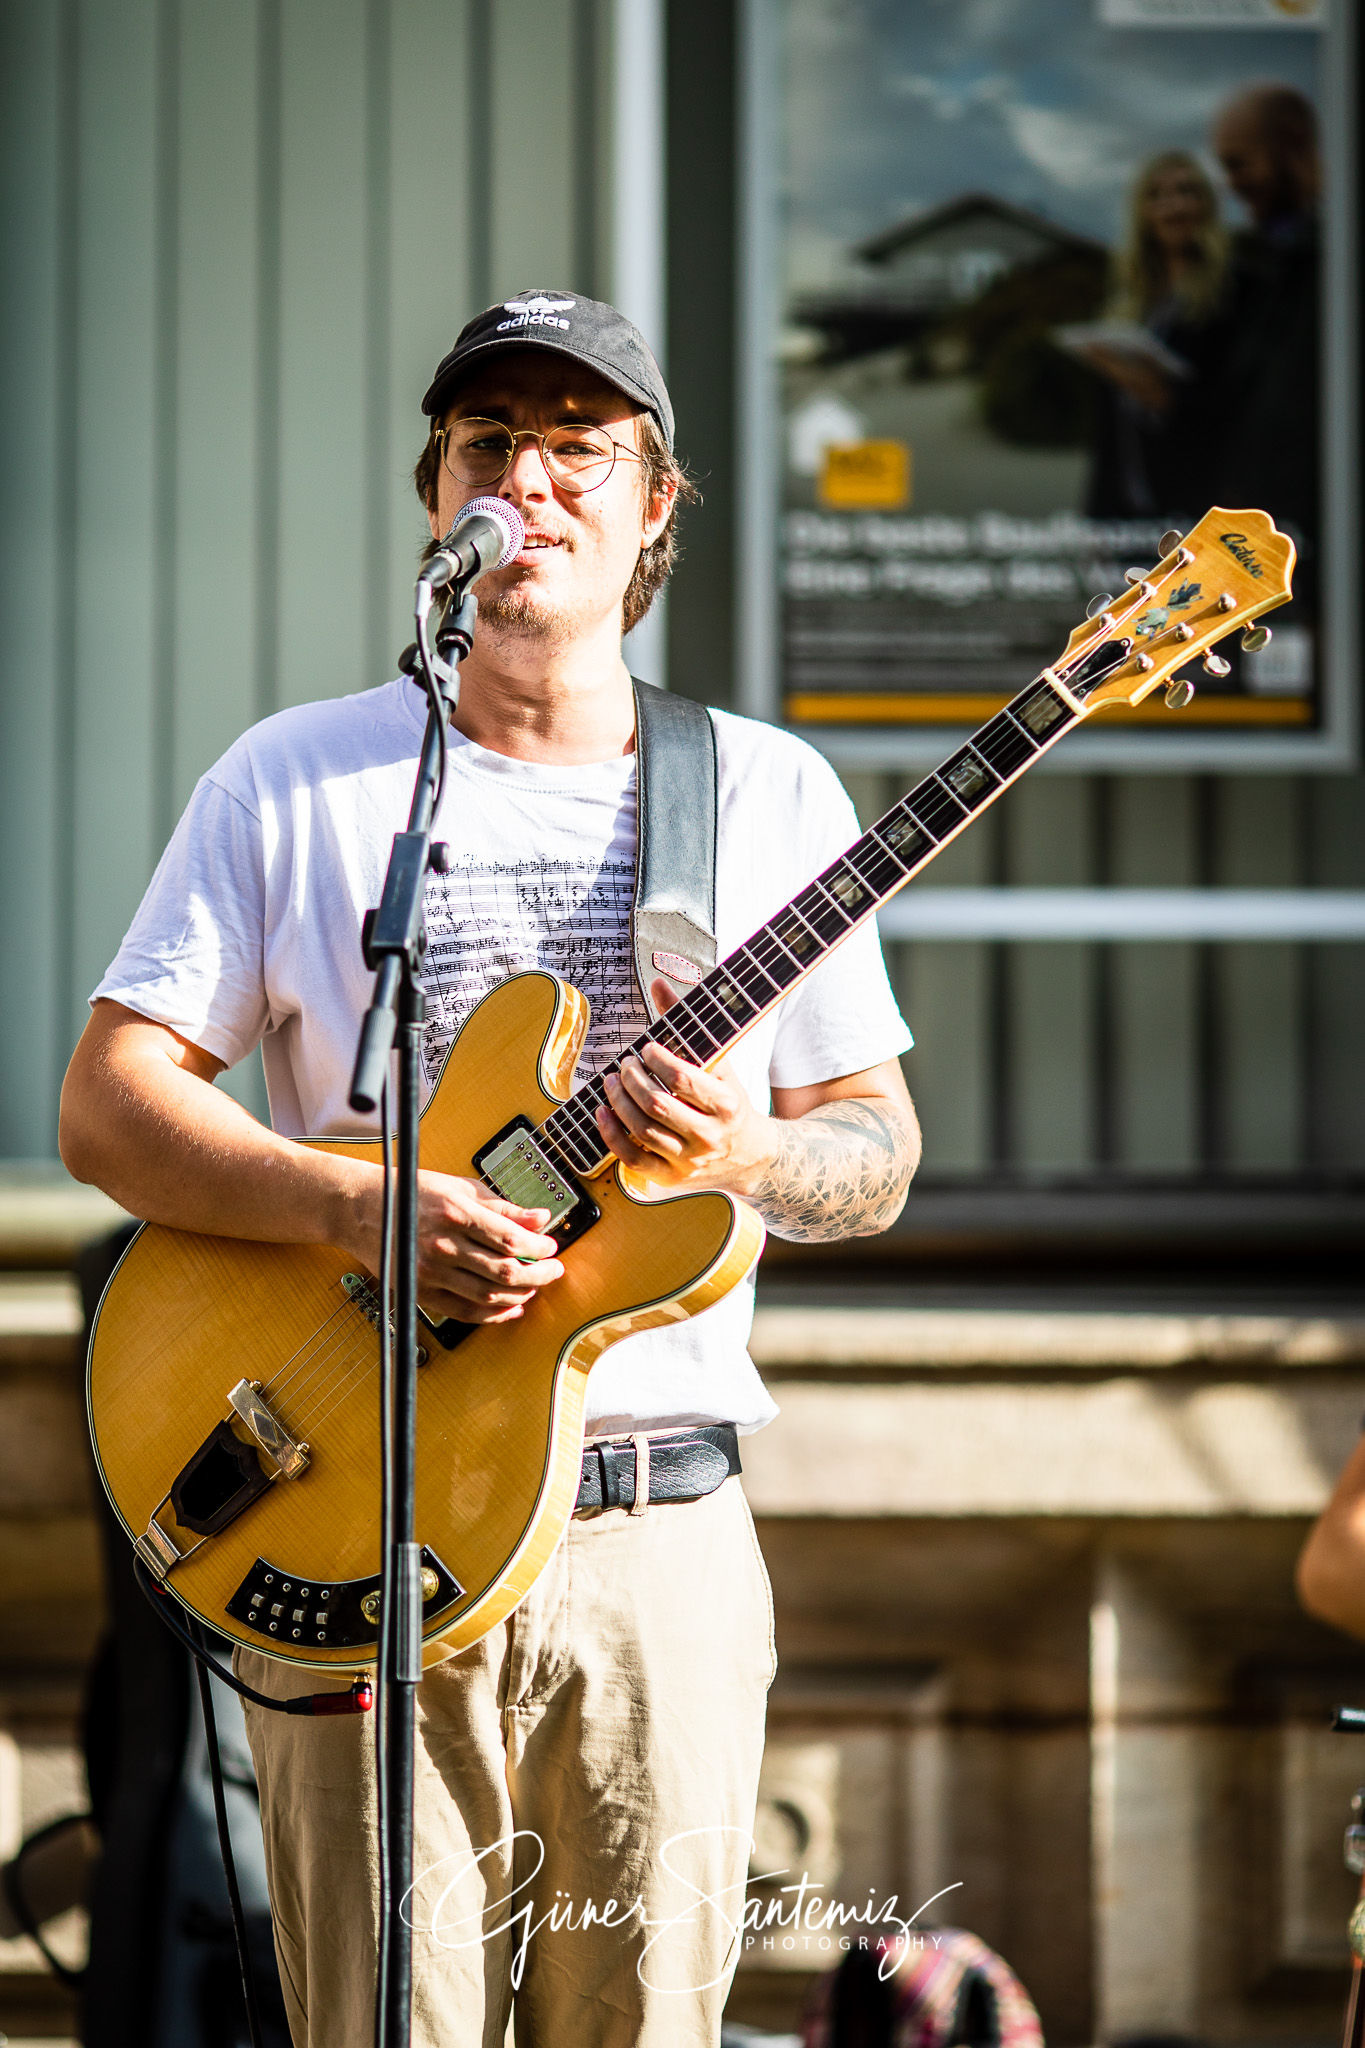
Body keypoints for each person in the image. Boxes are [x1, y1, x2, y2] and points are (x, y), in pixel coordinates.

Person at [58, 290, 920, 2048]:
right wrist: (357, 1202)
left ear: (656, 505)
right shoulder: (295, 782)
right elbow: (108, 1104)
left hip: (655, 1525)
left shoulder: (762, 792)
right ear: (436, 493)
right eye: (487, 444)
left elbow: (877, 1151)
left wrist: (743, 1147)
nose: (527, 477)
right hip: (361, 1503)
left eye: (577, 447)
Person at [1081, 150, 1231, 522]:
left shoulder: (1238, 295)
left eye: (1186, 191)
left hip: (1200, 518)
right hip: (1125, 516)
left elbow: (1245, 413)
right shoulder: (1132, 305)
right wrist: (1096, 518)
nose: (1173, 206)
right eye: (1157, 196)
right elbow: (1110, 432)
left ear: (1206, 205)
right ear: (1142, 214)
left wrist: (1166, 399)